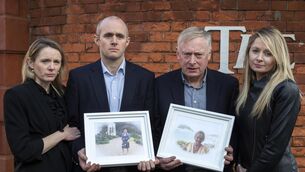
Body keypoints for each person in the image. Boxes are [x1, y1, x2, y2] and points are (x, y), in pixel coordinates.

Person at [65, 16, 155, 172]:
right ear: (97, 40)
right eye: (108, 35)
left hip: (133, 167)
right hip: (92, 166)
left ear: (127, 41)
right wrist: (78, 149)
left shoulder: (145, 78)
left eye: (119, 36)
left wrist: (148, 153)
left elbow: (153, 122)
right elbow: (70, 121)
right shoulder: (79, 78)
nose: (114, 41)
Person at [154, 26, 239, 172]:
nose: (192, 61)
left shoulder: (228, 85)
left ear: (209, 55)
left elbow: (236, 128)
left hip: (214, 168)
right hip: (173, 169)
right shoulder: (160, 85)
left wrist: (232, 151)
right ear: (177, 54)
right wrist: (158, 158)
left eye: (198, 55)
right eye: (187, 54)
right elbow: (154, 127)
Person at [3, 38, 80, 172]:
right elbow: (23, 150)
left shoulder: (62, 92)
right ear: (31, 63)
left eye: (56, 62)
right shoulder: (16, 96)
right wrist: (62, 134)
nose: (52, 67)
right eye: (45, 61)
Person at [235, 27, 301, 172]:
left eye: (268, 53)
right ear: (248, 53)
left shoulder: (287, 90)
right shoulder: (248, 90)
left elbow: (275, 147)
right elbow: (243, 136)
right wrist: (238, 163)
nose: (259, 58)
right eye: (255, 51)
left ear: (278, 58)